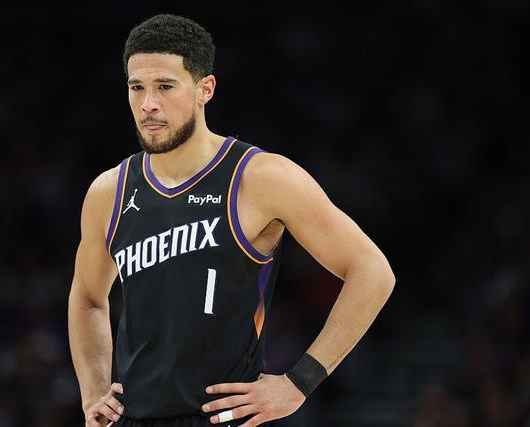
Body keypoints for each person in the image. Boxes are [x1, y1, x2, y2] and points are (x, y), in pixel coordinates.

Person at [68, 14, 395, 427]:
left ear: (205, 89)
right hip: (134, 418)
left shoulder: (261, 177)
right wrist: (93, 392)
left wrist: (299, 383)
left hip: (225, 417)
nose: (148, 103)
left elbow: (372, 271)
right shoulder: (108, 192)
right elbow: (87, 297)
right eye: (137, 87)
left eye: (165, 86)